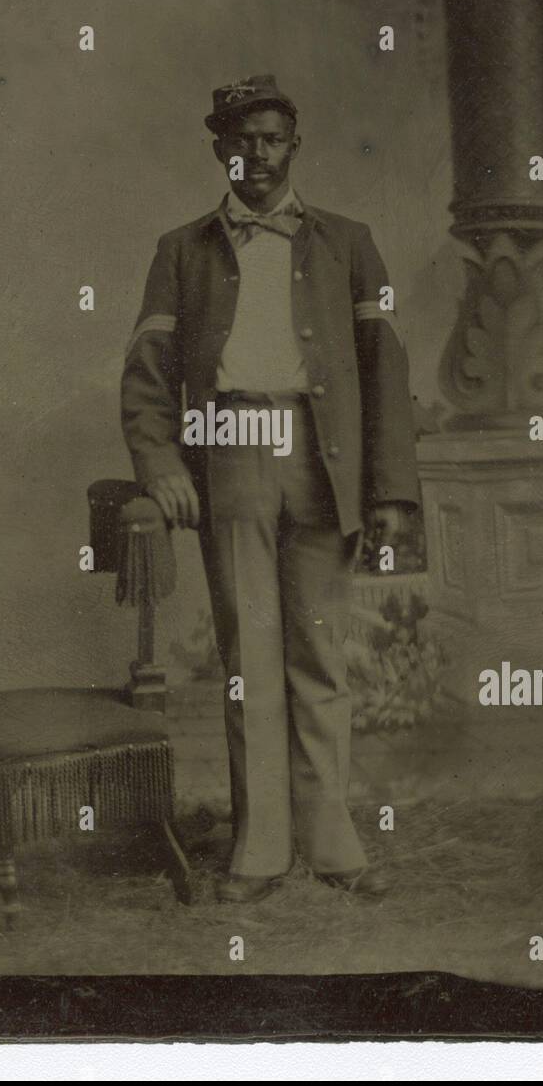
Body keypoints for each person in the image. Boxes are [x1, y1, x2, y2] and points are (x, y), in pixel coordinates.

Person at [121, 74, 419, 903]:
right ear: (219, 149)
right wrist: (161, 463)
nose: (255, 153)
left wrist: (390, 487)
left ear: (294, 146)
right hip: (228, 457)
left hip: (324, 462)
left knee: (318, 653)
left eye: (271, 138)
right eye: (240, 139)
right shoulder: (181, 250)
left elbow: (384, 373)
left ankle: (331, 841)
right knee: (248, 657)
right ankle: (259, 848)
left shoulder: (347, 243)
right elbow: (146, 379)